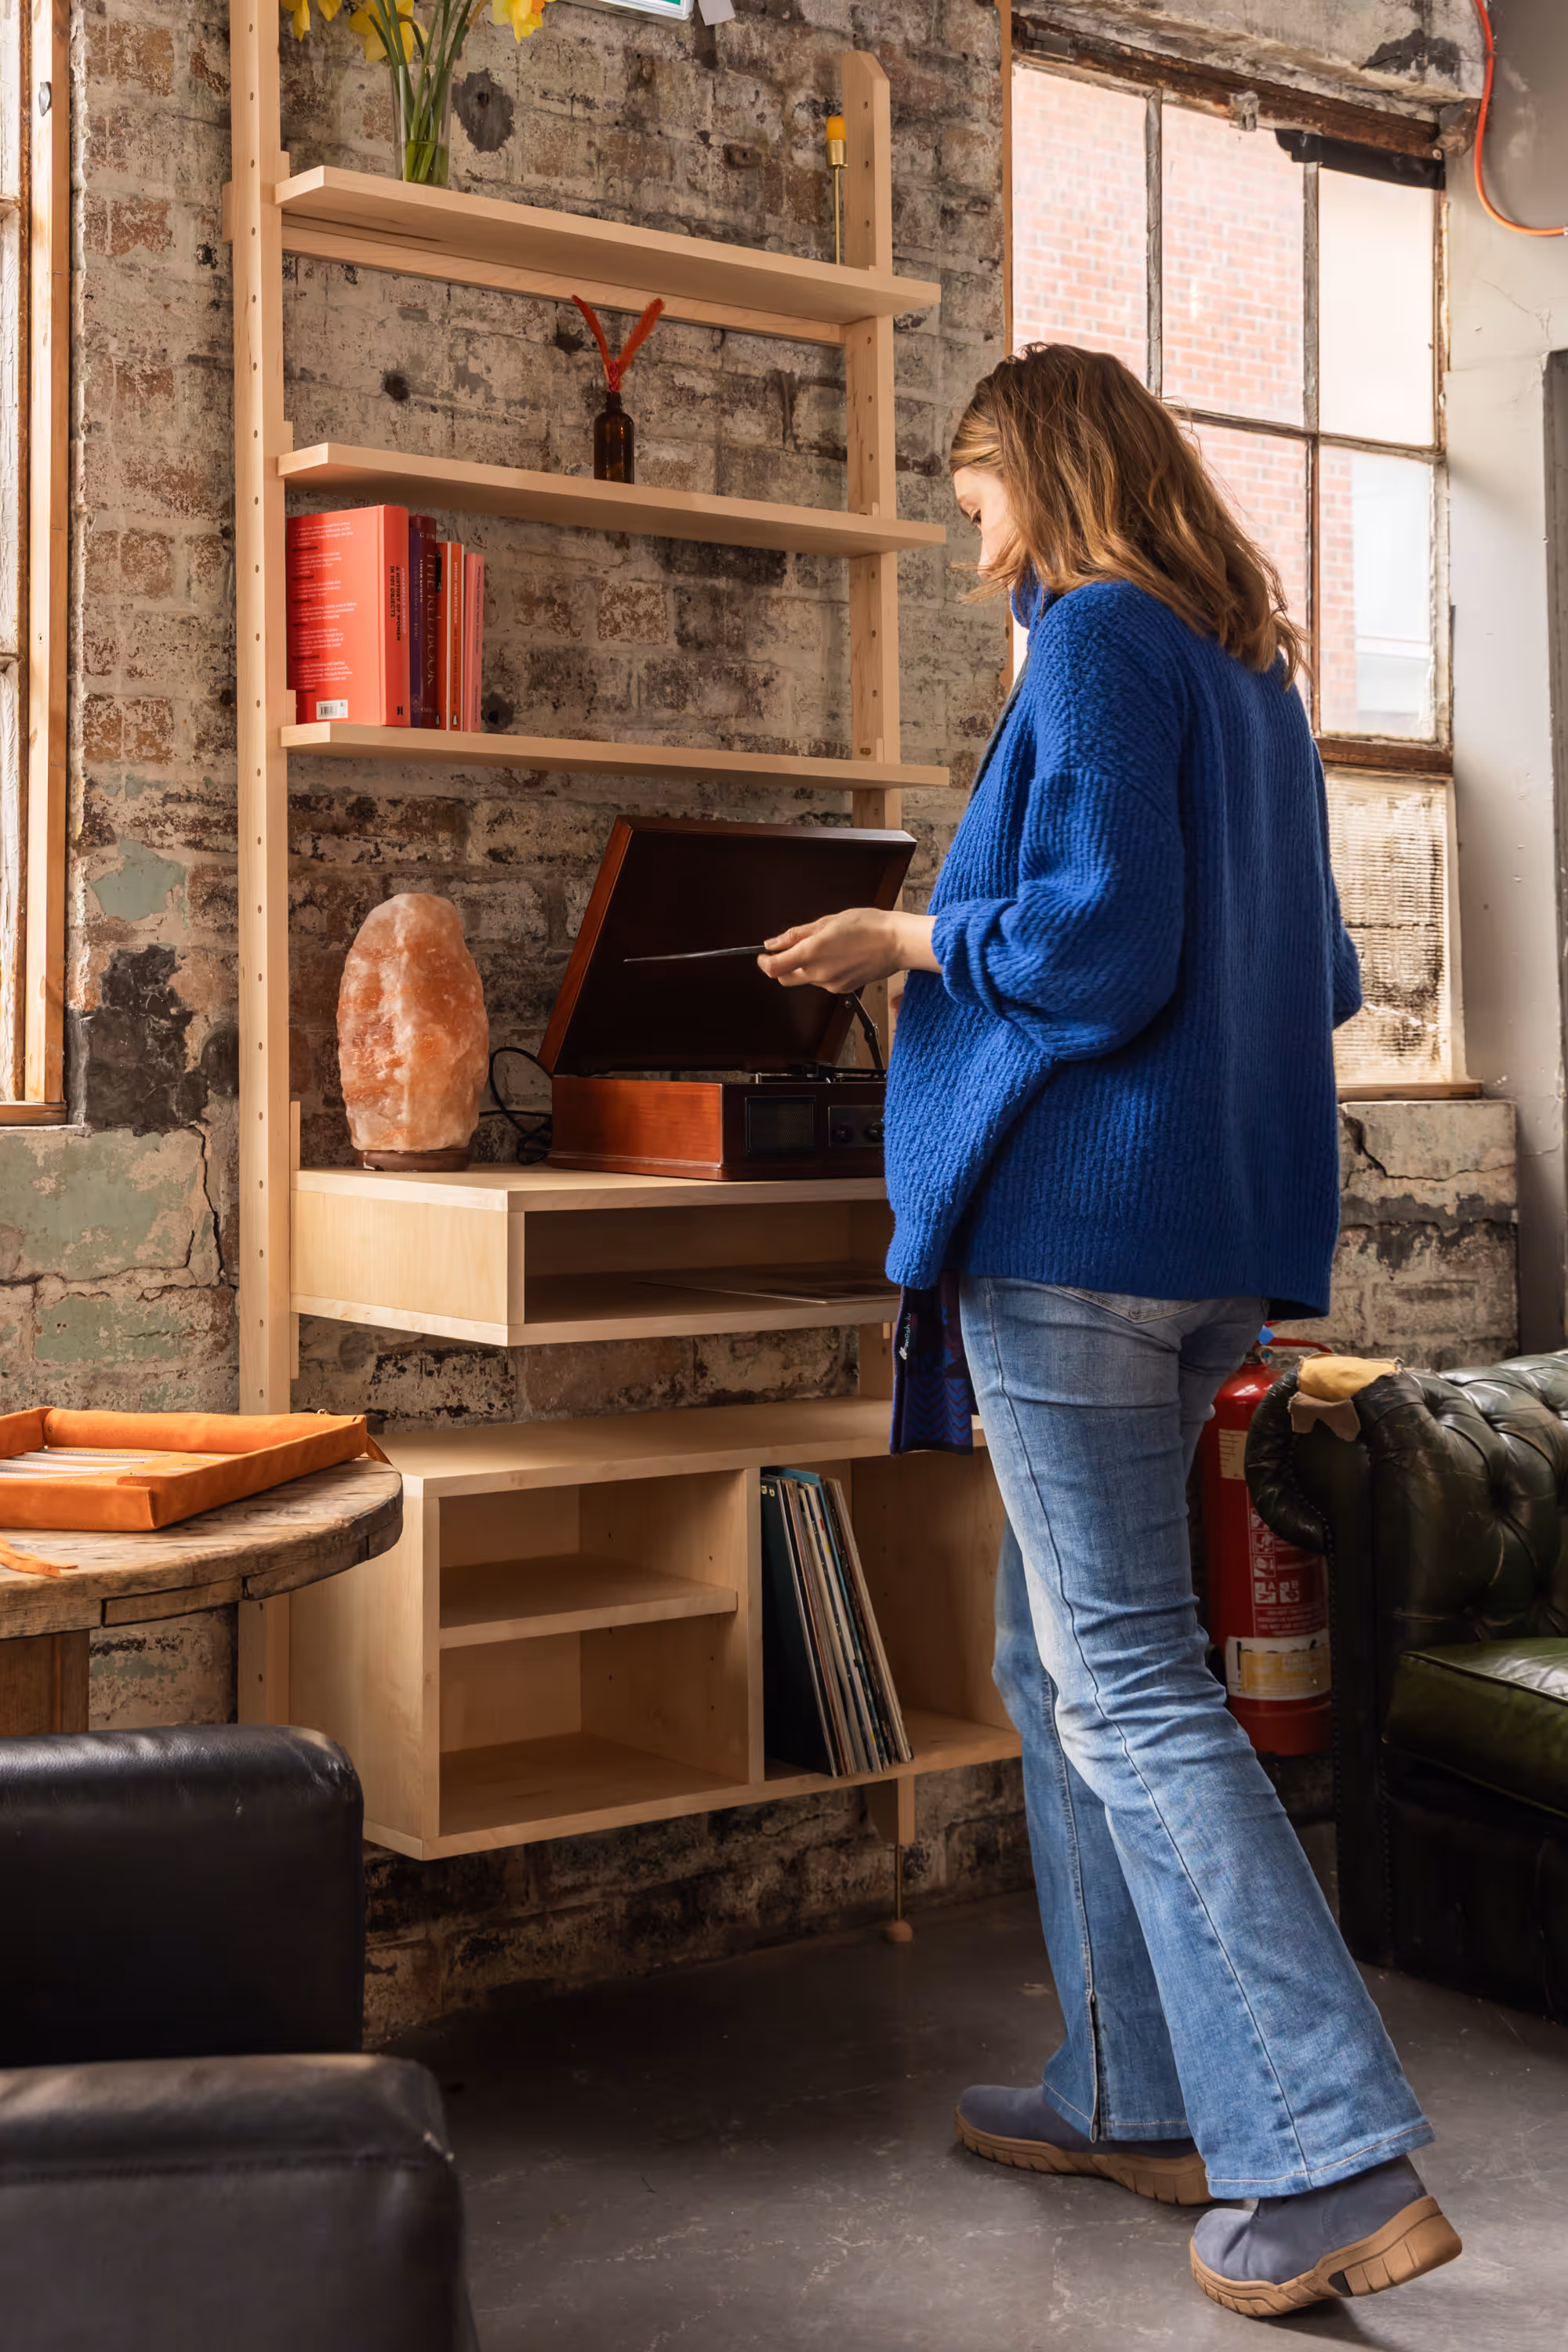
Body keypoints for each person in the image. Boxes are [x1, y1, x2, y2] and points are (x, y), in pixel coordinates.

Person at [757, 344, 1462, 2320]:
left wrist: (905, 938)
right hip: (1214, 1237)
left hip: (1075, 1236)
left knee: (1133, 1687)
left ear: (1044, 480)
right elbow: (1310, 965)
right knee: (1053, 1658)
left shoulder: (1088, 639)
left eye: (975, 501)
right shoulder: (1250, 674)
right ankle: (1133, 2086)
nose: (968, 540)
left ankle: (1320, 2156)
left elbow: (1090, 945)